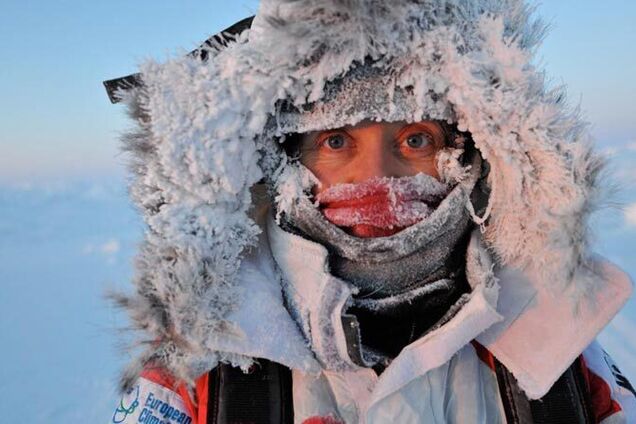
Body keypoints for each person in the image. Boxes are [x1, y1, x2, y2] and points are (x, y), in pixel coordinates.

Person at [104, 0, 636, 423]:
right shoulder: (198, 366)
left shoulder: (554, 352)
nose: (375, 178)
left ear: (470, 154)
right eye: (336, 141)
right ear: (286, 162)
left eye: (414, 139)